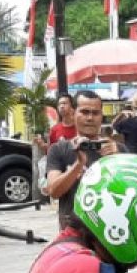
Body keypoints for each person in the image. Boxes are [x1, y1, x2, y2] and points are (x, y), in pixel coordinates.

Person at [45, 91, 125, 226]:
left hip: (108, 230)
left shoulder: (118, 150)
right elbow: (54, 191)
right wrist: (78, 165)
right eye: (85, 112)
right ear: (73, 113)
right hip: (73, 232)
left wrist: (117, 159)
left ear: (101, 116)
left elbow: (131, 190)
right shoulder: (59, 149)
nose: (90, 118)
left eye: (95, 113)